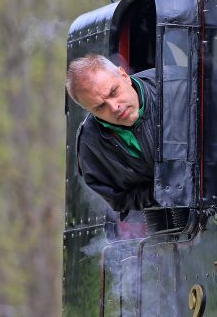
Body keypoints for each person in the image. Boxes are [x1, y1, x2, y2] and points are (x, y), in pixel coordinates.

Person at [66, 54, 158, 219]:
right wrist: (159, 192)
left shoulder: (178, 86)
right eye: (100, 107)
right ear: (90, 111)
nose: (115, 107)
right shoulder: (90, 145)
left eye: (114, 92)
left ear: (124, 75)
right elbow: (120, 201)